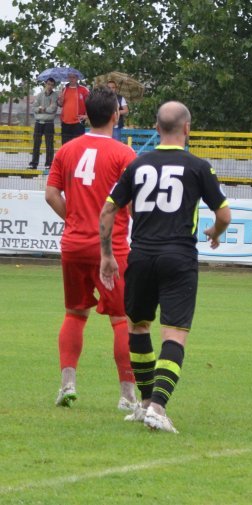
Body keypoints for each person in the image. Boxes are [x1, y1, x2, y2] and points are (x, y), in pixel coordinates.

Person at [99, 101, 232, 433]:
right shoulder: (199, 166)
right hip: (179, 257)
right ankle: (158, 406)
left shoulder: (137, 165)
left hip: (141, 256)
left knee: (138, 326)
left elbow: (107, 212)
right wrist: (215, 233)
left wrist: (106, 255)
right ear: (187, 128)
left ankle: (145, 404)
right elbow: (224, 214)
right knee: (174, 333)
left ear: (156, 128)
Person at [44, 85, 138, 410]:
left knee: (74, 313)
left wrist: (73, 218)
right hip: (109, 251)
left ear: (84, 115)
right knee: (122, 318)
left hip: (73, 245)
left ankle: (67, 385)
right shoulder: (124, 155)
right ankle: (127, 396)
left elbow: (51, 194)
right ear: (115, 115)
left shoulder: (66, 150)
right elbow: (136, 202)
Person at [30, 78, 58, 170]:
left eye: (52, 84)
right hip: (38, 123)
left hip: (49, 123)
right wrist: (41, 109)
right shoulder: (39, 95)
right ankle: (34, 164)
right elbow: (34, 108)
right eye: (48, 84)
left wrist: (42, 109)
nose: (50, 86)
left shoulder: (55, 96)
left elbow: (52, 109)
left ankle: (49, 164)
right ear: (45, 84)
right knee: (36, 144)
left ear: (53, 86)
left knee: (49, 145)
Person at [57, 73, 89, 145]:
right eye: (70, 77)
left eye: (73, 77)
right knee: (65, 145)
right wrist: (60, 100)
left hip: (78, 122)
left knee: (78, 146)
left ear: (77, 78)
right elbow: (60, 104)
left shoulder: (84, 90)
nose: (71, 79)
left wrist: (87, 116)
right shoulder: (64, 90)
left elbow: (90, 104)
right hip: (65, 122)